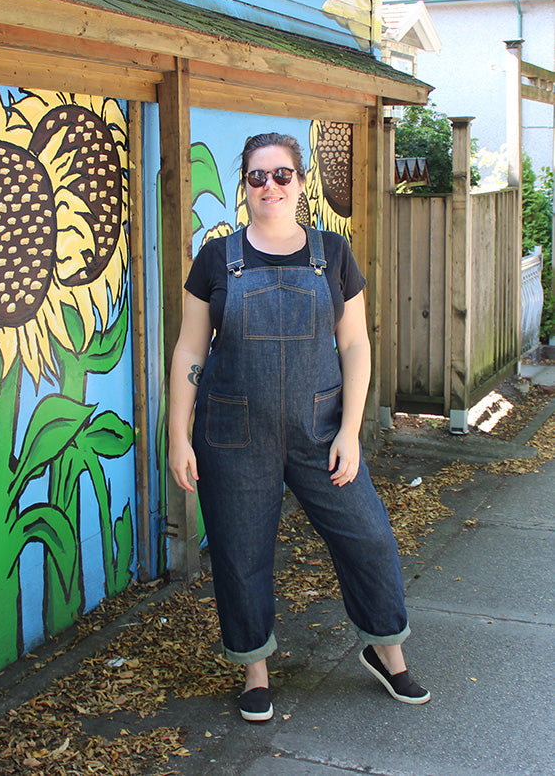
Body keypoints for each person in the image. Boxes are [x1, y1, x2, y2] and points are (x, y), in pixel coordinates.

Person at [168, 132, 430, 722]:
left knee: (369, 537)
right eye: (257, 177)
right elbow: (189, 349)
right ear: (244, 185)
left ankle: (387, 650)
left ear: (301, 182)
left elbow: (356, 345)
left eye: (281, 175)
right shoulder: (217, 258)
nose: (270, 187)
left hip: (320, 432)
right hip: (233, 437)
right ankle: (255, 670)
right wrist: (177, 437)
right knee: (240, 554)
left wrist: (351, 432)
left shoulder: (332, 254)